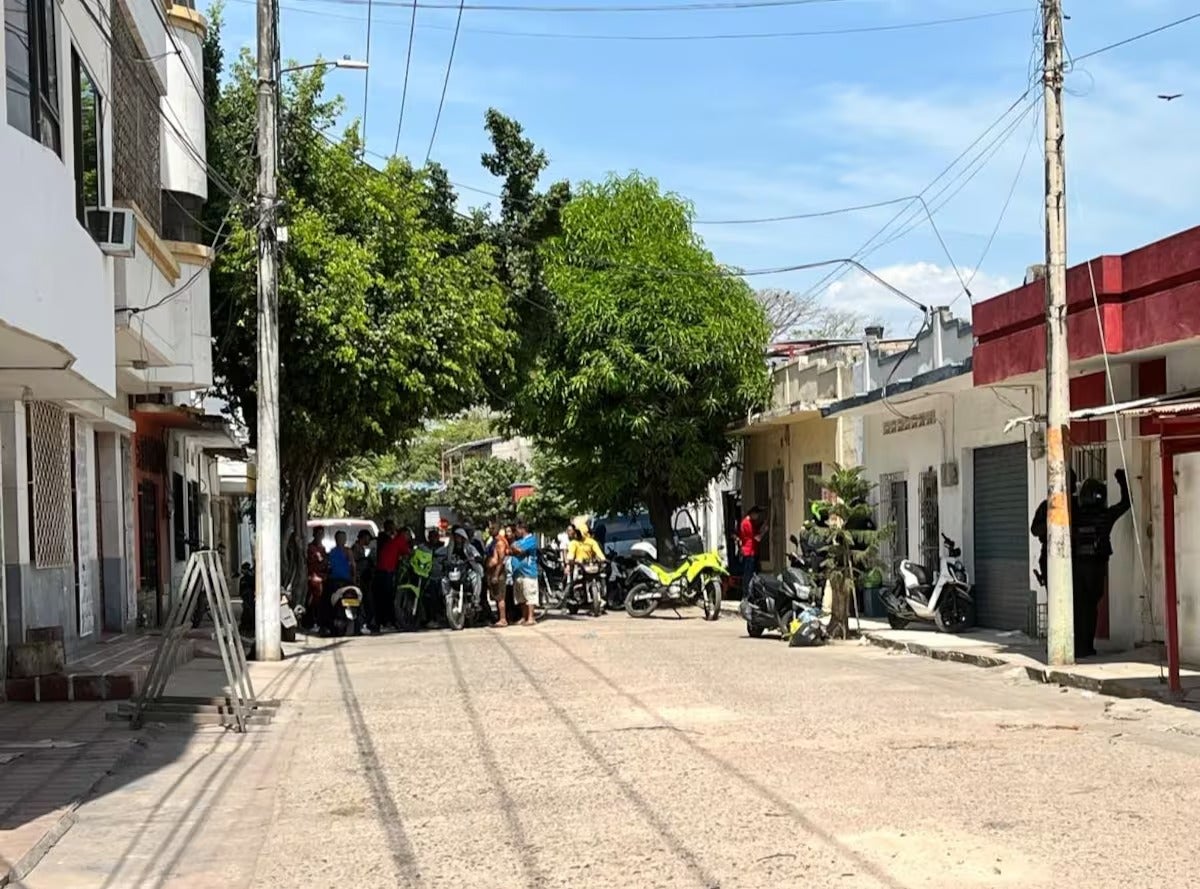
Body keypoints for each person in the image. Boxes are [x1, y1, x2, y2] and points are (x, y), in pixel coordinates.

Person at [1071, 469, 1131, 658]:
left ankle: (1079, 646)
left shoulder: (1074, 514)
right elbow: (1125, 504)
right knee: (1090, 607)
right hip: (1096, 567)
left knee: (1078, 607)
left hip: (1077, 566)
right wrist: (1122, 480)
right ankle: (1087, 646)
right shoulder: (1106, 516)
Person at [1031, 469, 1078, 588]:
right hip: (1051, 557)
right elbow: (1035, 530)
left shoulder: (1077, 505)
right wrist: (1052, 520)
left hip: (1075, 558)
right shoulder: (1047, 506)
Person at [323, 530, 355, 634]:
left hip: (341, 581)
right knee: (326, 601)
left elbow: (353, 566)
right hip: (338, 581)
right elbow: (353, 566)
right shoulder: (335, 552)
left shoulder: (344, 551)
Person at [509, 520, 540, 626]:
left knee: (530, 595)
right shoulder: (519, 541)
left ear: (523, 529)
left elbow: (519, 551)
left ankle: (531, 617)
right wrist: (514, 548)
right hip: (518, 573)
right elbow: (510, 550)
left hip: (528, 572)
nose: (516, 532)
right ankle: (524, 616)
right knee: (520, 596)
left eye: (517, 529)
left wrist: (514, 548)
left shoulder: (531, 540)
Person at [485, 521, 512, 626]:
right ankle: (500, 618)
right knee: (496, 597)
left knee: (500, 597)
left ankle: (503, 619)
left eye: (492, 528)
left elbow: (500, 560)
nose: (490, 530)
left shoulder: (500, 543)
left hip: (498, 573)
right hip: (491, 572)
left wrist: (496, 574)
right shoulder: (493, 541)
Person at [738, 506, 768, 594]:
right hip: (749, 551)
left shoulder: (748, 522)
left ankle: (748, 593)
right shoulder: (747, 523)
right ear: (752, 513)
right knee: (749, 574)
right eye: (757, 514)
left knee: (750, 573)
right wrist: (764, 532)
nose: (758, 517)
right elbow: (757, 538)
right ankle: (747, 594)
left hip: (750, 551)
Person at [303, 526, 328, 632]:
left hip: (323, 576)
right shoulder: (311, 548)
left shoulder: (323, 548)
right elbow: (316, 561)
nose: (320, 536)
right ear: (314, 534)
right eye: (318, 533)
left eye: (322, 533)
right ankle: (312, 621)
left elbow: (325, 562)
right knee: (313, 600)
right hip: (313, 576)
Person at [352, 529, 375, 628]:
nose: (369, 540)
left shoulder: (361, 548)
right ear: (364, 537)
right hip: (358, 578)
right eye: (368, 538)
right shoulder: (356, 548)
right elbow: (355, 563)